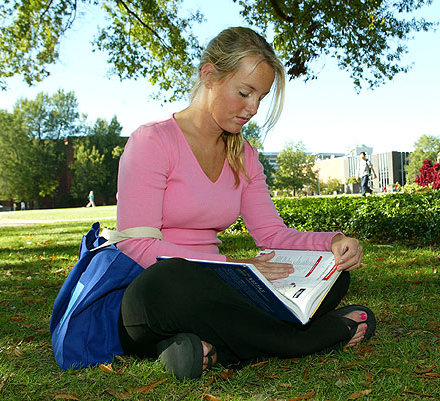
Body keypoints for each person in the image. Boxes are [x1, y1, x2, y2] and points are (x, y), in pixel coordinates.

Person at [115, 27, 376, 381]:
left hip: (226, 291)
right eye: (244, 92)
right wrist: (232, 266)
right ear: (209, 75)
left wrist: (331, 244)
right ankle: (306, 339)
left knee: (334, 273)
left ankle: (190, 349)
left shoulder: (245, 155)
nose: (252, 108)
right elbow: (138, 245)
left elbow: (271, 233)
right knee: (172, 278)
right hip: (157, 290)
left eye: (261, 97)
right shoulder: (152, 141)